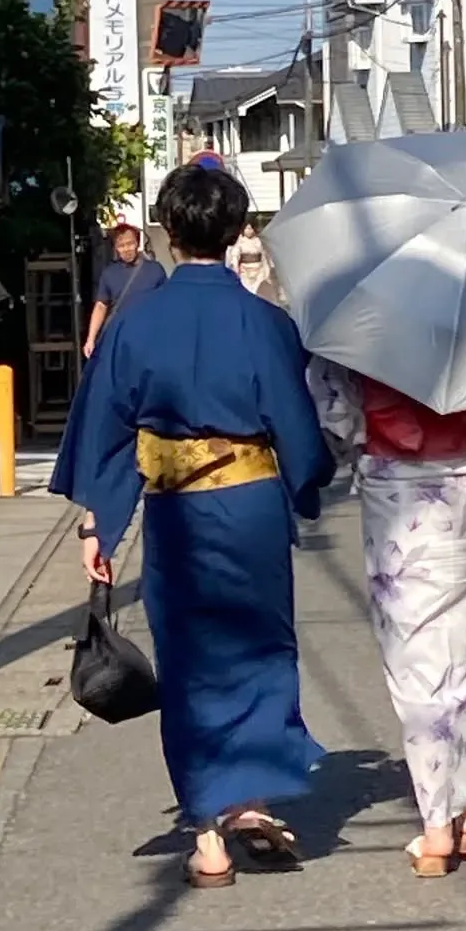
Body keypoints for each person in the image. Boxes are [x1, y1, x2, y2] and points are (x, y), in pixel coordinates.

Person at [50, 165, 336, 888]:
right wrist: (307, 486)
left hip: (176, 508)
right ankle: (253, 800)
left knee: (189, 659)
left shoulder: (135, 324)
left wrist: (100, 527)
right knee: (261, 648)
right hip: (253, 508)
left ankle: (208, 834)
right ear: (238, 230)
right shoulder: (270, 324)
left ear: (167, 234)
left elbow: (110, 434)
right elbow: (299, 435)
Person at [307, 359, 466, 877]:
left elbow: (336, 409)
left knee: (415, 654)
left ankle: (437, 823)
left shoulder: (367, 316)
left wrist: (357, 440)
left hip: (399, 488)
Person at [83, 223, 166, 357]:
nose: (126, 249)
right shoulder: (109, 274)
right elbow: (101, 306)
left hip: (150, 336)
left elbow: (166, 302)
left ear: (137, 244)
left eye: (130, 243)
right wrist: (90, 339)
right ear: (116, 248)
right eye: (121, 246)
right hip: (120, 337)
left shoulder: (155, 270)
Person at [226, 223, 278, 301]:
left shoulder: (258, 240)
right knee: (246, 288)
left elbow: (264, 255)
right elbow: (235, 255)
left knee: (256, 289)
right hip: (245, 269)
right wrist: (235, 268)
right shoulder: (240, 240)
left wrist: (267, 268)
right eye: (247, 229)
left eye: (250, 228)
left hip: (258, 268)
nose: (249, 231)